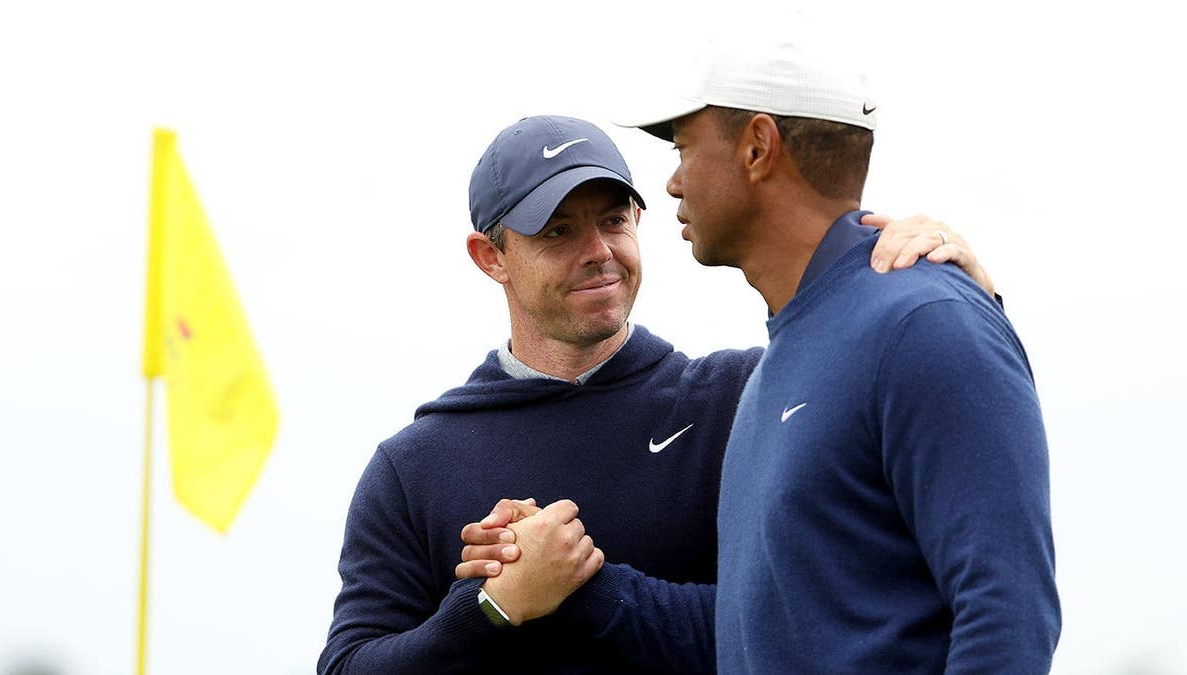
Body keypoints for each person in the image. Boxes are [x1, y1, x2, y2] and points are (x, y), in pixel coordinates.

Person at [317, 114, 995, 674]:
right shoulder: (415, 467)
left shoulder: (744, 398)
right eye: (558, 232)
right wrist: (492, 606)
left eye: (613, 220)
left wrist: (964, 290)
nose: (598, 251)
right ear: (489, 255)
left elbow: (813, 622)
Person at [611, 39, 1061, 672]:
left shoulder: (926, 322)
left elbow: (1007, 615)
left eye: (685, 147)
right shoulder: (780, 362)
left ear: (757, 148)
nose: (673, 180)